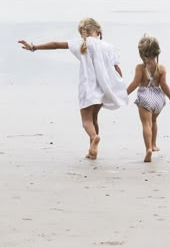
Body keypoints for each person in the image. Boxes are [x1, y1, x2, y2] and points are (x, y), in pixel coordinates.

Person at [18, 18, 128, 160]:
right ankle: (92, 150)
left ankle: (94, 138)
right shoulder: (108, 46)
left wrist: (34, 47)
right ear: (98, 30)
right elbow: (117, 69)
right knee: (94, 118)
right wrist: (119, 86)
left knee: (86, 121)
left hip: (87, 88)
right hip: (103, 89)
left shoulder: (80, 44)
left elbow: (56, 44)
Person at [127, 35, 170, 163]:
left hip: (145, 97)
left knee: (146, 124)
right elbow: (164, 86)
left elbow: (135, 83)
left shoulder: (140, 67)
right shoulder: (161, 68)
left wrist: (123, 94)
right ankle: (154, 144)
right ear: (157, 52)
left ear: (141, 53)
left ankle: (148, 149)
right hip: (158, 99)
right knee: (154, 121)